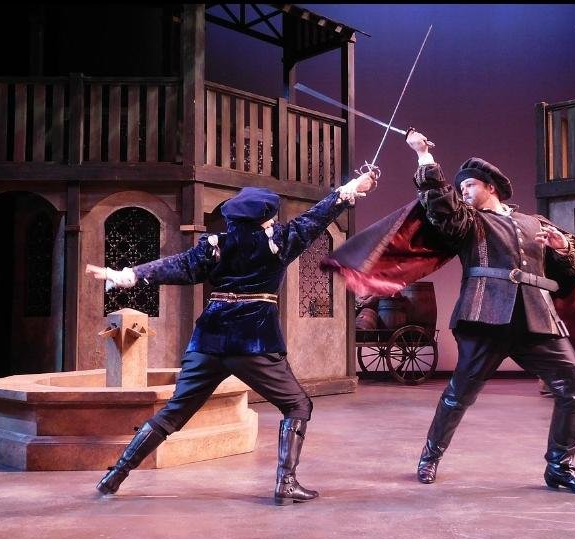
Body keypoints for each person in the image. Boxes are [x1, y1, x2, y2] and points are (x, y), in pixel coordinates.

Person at [86, 170, 376, 505]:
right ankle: (285, 483)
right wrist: (350, 190)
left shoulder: (215, 246)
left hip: (208, 342)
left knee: (174, 412)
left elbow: (177, 266)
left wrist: (126, 275)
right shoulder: (279, 243)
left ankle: (114, 475)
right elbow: (315, 218)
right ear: (265, 218)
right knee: (297, 404)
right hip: (253, 343)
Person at [404, 129, 575, 495]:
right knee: (460, 393)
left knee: (573, 386)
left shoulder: (536, 223)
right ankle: (430, 456)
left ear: (490, 187)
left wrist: (562, 247)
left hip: (536, 319)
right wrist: (423, 156)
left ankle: (559, 468)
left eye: (470, 185)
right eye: (460, 187)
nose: (463, 191)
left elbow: (572, 266)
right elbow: (441, 206)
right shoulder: (467, 221)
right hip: (485, 317)